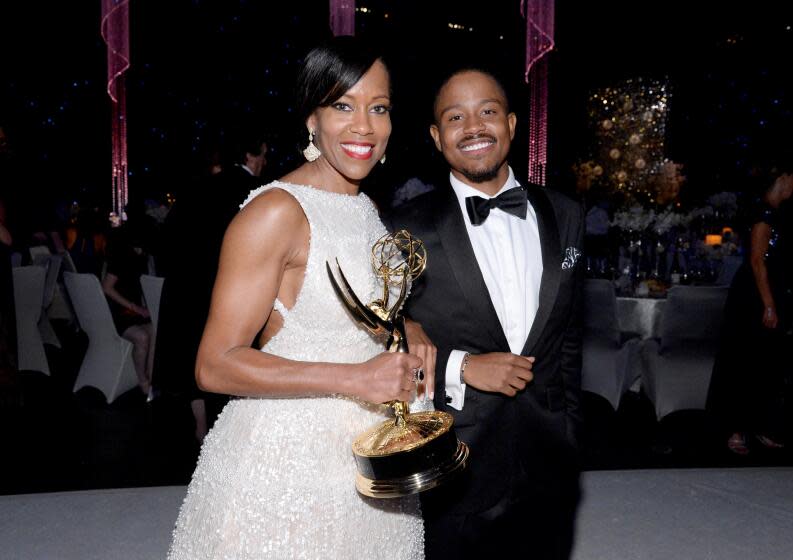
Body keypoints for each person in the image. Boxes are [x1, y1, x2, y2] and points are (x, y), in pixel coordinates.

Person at [167, 37, 425, 559]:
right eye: (343, 106)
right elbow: (213, 367)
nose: (364, 127)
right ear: (312, 118)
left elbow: (354, 312)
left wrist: (408, 328)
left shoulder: (365, 206)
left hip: (369, 461)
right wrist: (353, 379)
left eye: (378, 108)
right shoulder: (276, 212)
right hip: (285, 470)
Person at [387, 68, 584, 559]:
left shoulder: (566, 213)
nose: (473, 127)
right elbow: (383, 342)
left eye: (488, 112)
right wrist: (465, 368)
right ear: (437, 137)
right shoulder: (405, 230)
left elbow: (570, 335)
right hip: (457, 456)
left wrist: (570, 432)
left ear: (513, 124)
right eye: (456, 117)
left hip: (548, 452)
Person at [154, 129, 268, 444]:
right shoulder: (258, 191)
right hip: (225, 287)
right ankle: (230, 432)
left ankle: (200, 426)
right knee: (230, 356)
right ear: (251, 155)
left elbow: (165, 242)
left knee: (194, 358)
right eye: (263, 155)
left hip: (185, 287)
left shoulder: (196, 187)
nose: (264, 162)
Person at [707, 164, 793, 455]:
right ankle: (735, 428)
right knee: (744, 360)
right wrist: (769, 305)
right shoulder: (763, 214)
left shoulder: (778, 213)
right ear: (782, 178)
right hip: (754, 297)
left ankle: (760, 424)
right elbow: (757, 260)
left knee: (766, 363)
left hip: (769, 292)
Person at [102, 202, 156, 397]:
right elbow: (106, 288)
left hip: (133, 310)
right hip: (116, 311)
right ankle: (142, 381)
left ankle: (150, 378)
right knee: (142, 337)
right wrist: (135, 307)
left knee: (156, 330)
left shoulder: (140, 253)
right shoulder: (120, 253)